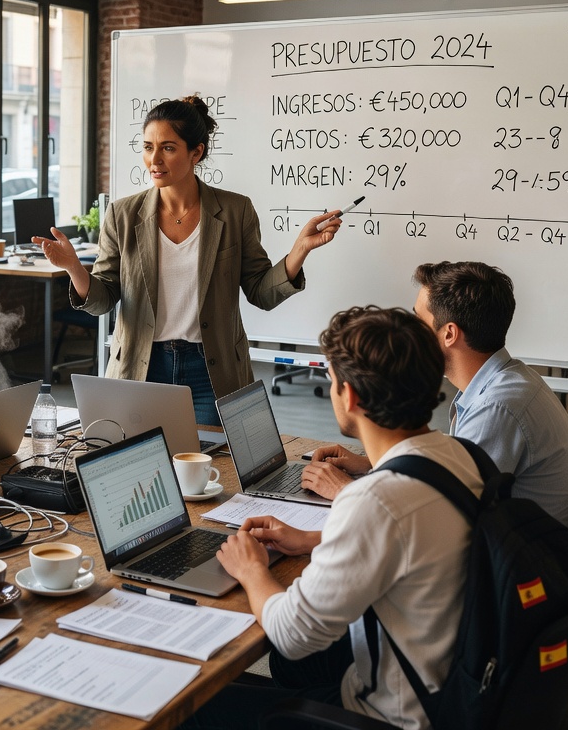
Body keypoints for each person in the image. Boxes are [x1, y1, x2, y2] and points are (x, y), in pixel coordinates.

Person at [189, 306, 482, 730]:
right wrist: (314, 540)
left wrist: (252, 570)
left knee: (193, 706)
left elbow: (291, 635)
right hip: (452, 689)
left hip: (393, 714)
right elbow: (408, 546)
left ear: (351, 396)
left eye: (331, 381)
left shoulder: (377, 499)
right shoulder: (459, 455)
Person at [34, 95, 342, 424]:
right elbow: (103, 300)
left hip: (212, 370)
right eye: (148, 146)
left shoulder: (235, 211)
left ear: (196, 152)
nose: (154, 159)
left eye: (168, 147)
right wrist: (73, 267)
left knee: (213, 469)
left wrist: (300, 250)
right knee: (137, 467)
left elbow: (260, 292)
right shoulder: (122, 214)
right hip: (141, 366)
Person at [303, 261, 568, 536]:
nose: (409, 331)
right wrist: (372, 464)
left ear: (450, 334)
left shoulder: (497, 408)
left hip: (528, 572)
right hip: (524, 548)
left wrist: (347, 492)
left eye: (418, 320)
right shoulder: (506, 380)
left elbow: (440, 519)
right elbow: (445, 475)